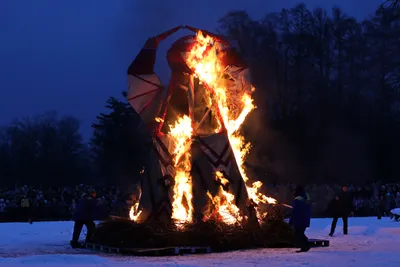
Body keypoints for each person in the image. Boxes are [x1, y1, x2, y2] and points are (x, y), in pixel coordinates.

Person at [289, 185, 311, 253]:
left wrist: (291, 222)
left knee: (298, 234)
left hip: (299, 219)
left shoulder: (298, 199)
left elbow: (294, 212)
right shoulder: (306, 197)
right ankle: (306, 245)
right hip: (305, 218)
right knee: (300, 233)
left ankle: (305, 246)